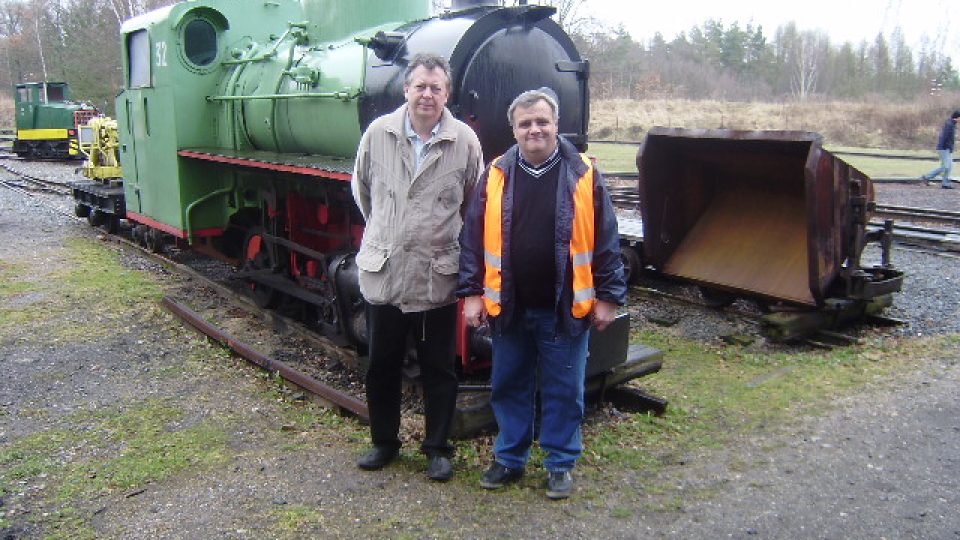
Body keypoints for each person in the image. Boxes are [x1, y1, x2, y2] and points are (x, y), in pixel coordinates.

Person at [457, 88, 627, 499]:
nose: (534, 129)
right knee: (509, 384)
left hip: (564, 309)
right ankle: (509, 459)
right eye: (525, 123)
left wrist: (609, 296)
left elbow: (606, 240)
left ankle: (559, 463)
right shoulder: (496, 173)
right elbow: (472, 239)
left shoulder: (584, 173)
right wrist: (472, 293)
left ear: (556, 125)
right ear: (513, 130)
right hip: (509, 305)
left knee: (563, 389)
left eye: (542, 121)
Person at [351, 53, 483, 481]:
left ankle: (437, 448)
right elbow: (363, 192)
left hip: (435, 277)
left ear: (447, 94)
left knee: (439, 368)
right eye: (421, 86)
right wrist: (391, 233)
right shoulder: (378, 133)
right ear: (406, 89)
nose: (428, 94)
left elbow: (471, 204)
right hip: (386, 273)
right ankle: (384, 442)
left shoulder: (464, 141)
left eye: (436, 88)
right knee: (382, 365)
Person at [922, 110, 960, 189]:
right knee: (945, 167)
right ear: (957, 118)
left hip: (947, 149)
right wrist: (945, 147)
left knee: (949, 167)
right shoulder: (949, 125)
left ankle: (945, 183)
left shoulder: (952, 124)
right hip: (944, 148)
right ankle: (927, 177)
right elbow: (944, 137)